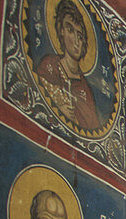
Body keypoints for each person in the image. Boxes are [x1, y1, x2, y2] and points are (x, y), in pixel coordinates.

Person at [34, 0, 100, 130]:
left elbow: (92, 127)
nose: (76, 41)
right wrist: (57, 108)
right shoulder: (49, 65)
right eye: (70, 30)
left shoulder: (86, 89)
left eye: (80, 36)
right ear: (61, 31)